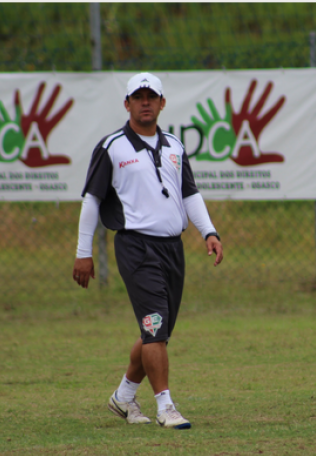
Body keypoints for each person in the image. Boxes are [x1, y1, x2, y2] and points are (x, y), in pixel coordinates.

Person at [72, 72, 223, 430]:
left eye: (150, 96)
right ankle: (166, 406)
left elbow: (190, 194)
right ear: (126, 104)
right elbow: (91, 200)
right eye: (137, 97)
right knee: (154, 328)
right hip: (136, 247)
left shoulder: (175, 146)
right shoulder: (112, 147)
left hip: (172, 249)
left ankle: (123, 398)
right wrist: (83, 251)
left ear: (162, 103)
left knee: (155, 331)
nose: (144, 102)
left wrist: (209, 231)